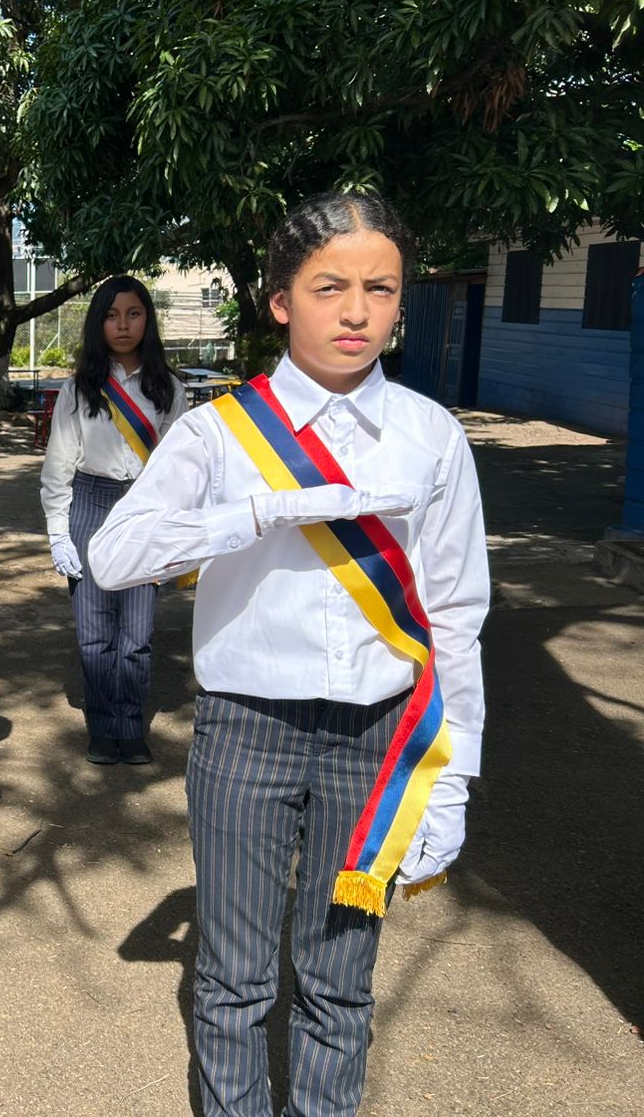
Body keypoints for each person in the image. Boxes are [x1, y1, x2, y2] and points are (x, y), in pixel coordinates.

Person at [88, 193, 488, 1117]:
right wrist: (261, 510)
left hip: (381, 743)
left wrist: (456, 773)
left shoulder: (431, 436)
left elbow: (457, 614)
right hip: (245, 738)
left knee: (340, 983)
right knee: (232, 983)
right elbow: (114, 558)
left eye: (380, 289)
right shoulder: (219, 434)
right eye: (329, 288)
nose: (356, 312)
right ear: (279, 301)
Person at [40, 276, 186, 766]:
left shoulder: (170, 388)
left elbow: (180, 469)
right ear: (97, 322)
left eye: (133, 314)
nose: (122, 325)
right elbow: (59, 462)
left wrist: (174, 534)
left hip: (145, 509)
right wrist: (59, 531)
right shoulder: (79, 388)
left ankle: (130, 722)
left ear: (148, 319)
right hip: (91, 502)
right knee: (94, 630)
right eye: (110, 315)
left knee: (138, 633)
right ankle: (102, 726)